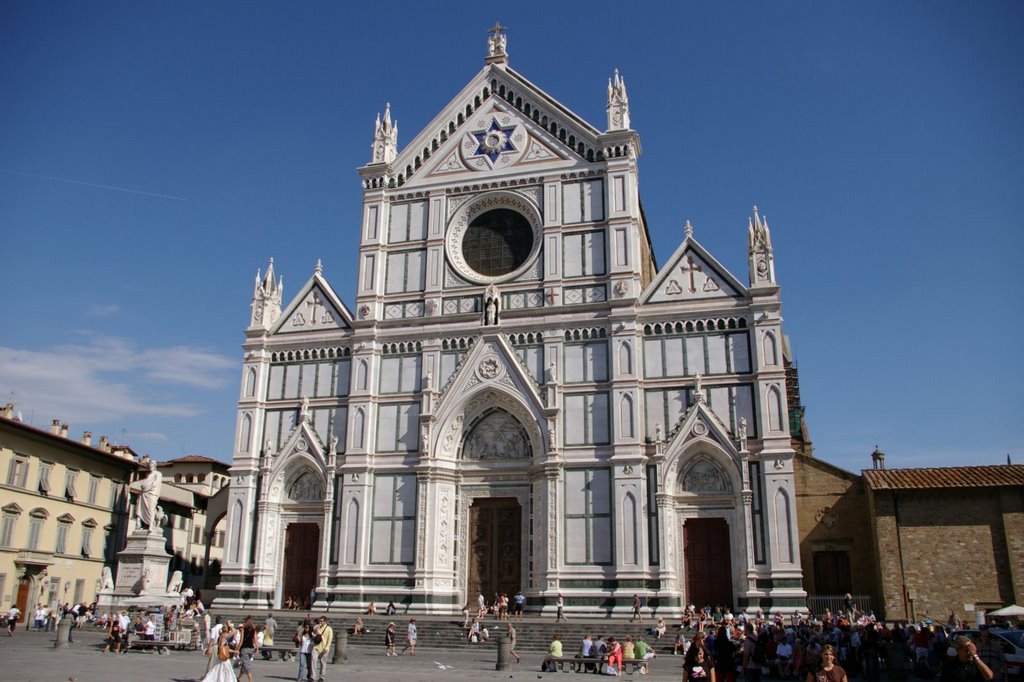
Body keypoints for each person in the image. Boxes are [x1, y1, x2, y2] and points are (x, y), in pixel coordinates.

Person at [135, 459, 163, 532]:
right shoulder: (148, 475)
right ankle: (141, 525)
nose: (150, 467)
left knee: (151, 510)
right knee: (140, 509)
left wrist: (146, 487)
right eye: (149, 465)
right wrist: (144, 488)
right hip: (144, 494)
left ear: (155, 466)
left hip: (151, 494)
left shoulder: (158, 474)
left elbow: (155, 484)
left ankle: (151, 525)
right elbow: (145, 483)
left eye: (152, 465)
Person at [312, 616, 334, 681]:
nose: (320, 622)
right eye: (319, 621)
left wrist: (327, 647)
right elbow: (313, 635)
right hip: (316, 646)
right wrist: (316, 630)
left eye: (321, 621)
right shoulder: (316, 627)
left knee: (323, 662)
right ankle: (313, 676)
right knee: (313, 660)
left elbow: (330, 639)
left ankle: (322, 677)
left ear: (325, 621)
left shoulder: (329, 629)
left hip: (324, 647)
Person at [237, 615, 257, 682]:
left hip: (244, 649)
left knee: (246, 666)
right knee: (244, 664)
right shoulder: (253, 630)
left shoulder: (243, 629)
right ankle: (238, 679)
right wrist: (257, 648)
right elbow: (255, 639)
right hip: (251, 648)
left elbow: (241, 640)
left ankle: (250, 680)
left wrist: (237, 649)